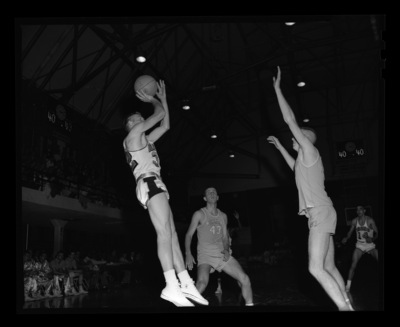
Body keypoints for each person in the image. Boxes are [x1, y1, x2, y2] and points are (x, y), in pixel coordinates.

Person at [267, 66, 353, 311]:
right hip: (324, 212)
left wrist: (277, 90)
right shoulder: (305, 162)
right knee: (329, 266)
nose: (293, 137)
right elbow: (292, 166)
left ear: (306, 138)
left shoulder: (310, 150)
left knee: (315, 268)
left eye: (298, 136)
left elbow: (289, 119)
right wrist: (280, 148)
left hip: (320, 213)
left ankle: (344, 309)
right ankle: (348, 302)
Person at [123, 79, 208, 307]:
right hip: (148, 182)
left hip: (156, 184)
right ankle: (170, 286)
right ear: (130, 124)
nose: (141, 118)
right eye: (137, 118)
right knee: (164, 234)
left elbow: (166, 125)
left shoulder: (146, 140)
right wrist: (154, 100)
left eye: (142, 117)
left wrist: (163, 99)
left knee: (171, 236)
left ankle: (185, 283)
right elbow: (157, 116)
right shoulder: (132, 138)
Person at [184, 187, 254, 306]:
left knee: (245, 279)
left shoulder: (223, 216)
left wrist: (226, 250)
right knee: (201, 283)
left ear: (217, 197)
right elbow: (189, 235)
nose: (212, 193)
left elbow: (225, 237)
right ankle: (186, 305)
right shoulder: (199, 214)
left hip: (221, 254)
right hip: (205, 255)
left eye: (214, 192)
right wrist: (188, 253)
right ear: (205, 198)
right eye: (209, 192)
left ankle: (250, 304)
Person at [341, 205, 379, 292]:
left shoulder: (370, 220)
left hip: (370, 245)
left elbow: (377, 233)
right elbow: (350, 232)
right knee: (353, 265)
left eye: (360, 209)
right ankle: (348, 286)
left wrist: (372, 238)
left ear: (364, 211)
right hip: (359, 245)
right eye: (357, 210)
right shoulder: (354, 221)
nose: (358, 211)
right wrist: (346, 238)